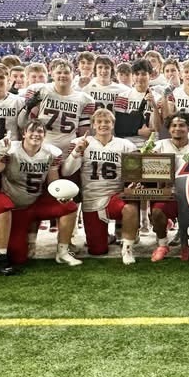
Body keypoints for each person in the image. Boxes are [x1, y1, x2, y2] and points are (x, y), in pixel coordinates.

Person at [0, 120, 81, 269]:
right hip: (14, 208)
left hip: (36, 203)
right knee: (17, 257)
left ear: (44, 135)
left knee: (70, 206)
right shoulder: (11, 150)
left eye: (40, 131)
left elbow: (53, 182)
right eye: (32, 131)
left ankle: (63, 252)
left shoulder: (51, 153)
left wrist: (61, 195)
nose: (36, 134)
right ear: (24, 133)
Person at [61, 109, 140, 265]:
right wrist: (77, 151)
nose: (103, 125)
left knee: (130, 207)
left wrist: (133, 182)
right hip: (91, 199)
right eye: (99, 122)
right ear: (93, 125)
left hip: (114, 197)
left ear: (113, 124)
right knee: (97, 250)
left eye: (107, 122)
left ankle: (128, 248)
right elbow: (66, 171)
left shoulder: (125, 145)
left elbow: (134, 174)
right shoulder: (82, 143)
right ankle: (108, 237)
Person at [149, 112, 189, 262]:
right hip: (169, 193)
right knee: (157, 212)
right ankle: (163, 244)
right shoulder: (159, 146)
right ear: (169, 129)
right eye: (174, 125)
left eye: (182, 125)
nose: (178, 128)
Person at [23, 58, 95, 155]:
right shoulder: (40, 90)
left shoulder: (85, 99)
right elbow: (24, 123)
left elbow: (83, 132)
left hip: (69, 148)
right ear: (52, 74)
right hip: (41, 146)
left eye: (66, 72)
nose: (63, 75)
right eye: (59, 72)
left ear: (73, 75)